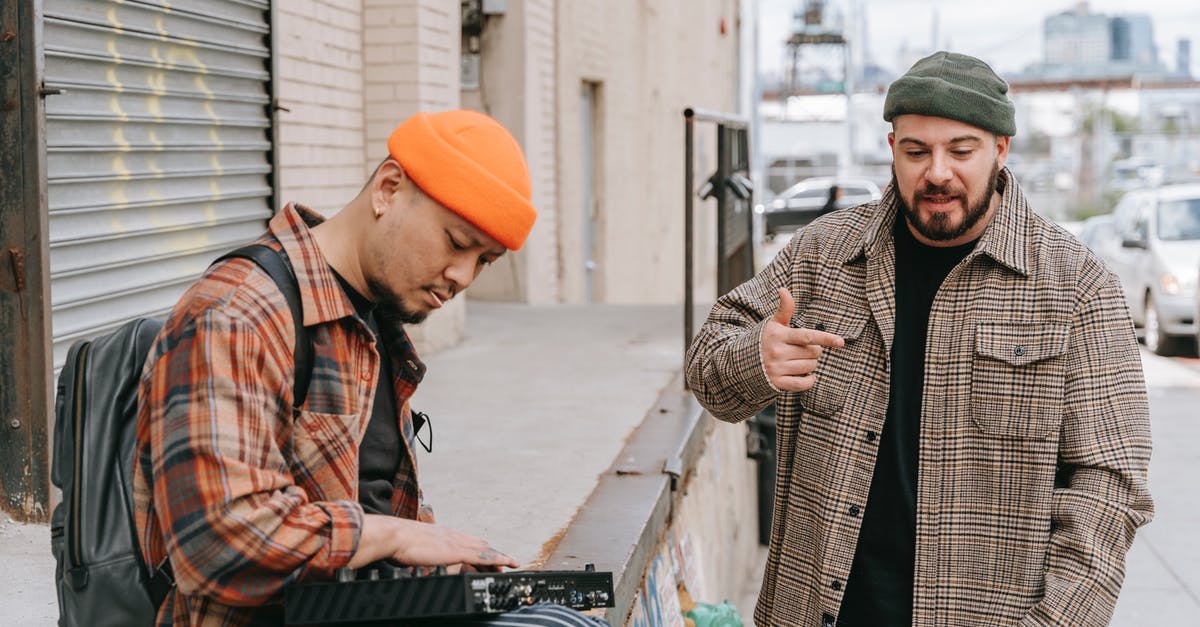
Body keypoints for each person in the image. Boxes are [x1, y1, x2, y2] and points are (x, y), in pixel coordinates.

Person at [685, 51, 1153, 626]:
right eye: (916, 152)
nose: (937, 173)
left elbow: (1109, 487)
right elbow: (707, 371)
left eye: (960, 151)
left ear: (1000, 150)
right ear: (892, 151)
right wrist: (754, 357)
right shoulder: (824, 255)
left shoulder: (1077, 287)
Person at [133, 110, 608, 626]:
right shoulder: (237, 313)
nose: (462, 276)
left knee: (565, 614)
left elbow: (373, 510)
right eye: (456, 242)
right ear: (388, 189)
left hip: (361, 610)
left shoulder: (370, 323)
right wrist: (401, 537)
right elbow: (217, 544)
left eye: (485, 261)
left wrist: (443, 568)